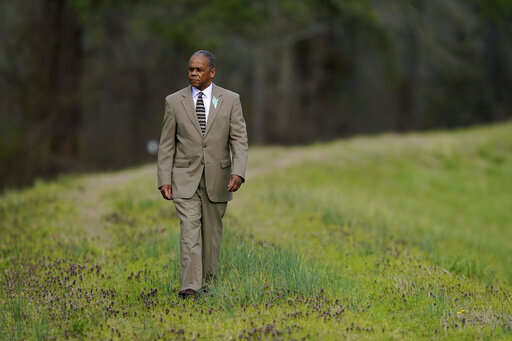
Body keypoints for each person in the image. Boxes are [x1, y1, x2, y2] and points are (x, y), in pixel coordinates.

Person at [157, 50, 248, 298]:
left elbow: (239, 139)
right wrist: (164, 179)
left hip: (218, 179)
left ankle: (209, 283)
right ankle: (190, 286)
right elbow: (166, 144)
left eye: (199, 70)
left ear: (212, 72)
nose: (193, 74)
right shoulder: (174, 101)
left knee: (211, 234)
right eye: (190, 69)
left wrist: (238, 172)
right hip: (184, 178)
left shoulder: (230, 100)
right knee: (189, 231)